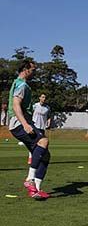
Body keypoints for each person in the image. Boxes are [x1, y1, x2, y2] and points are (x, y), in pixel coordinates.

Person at [8, 59, 51, 199]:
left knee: (45, 156)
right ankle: (30, 179)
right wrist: (25, 124)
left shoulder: (19, 83)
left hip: (22, 122)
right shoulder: (22, 85)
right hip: (18, 123)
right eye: (33, 70)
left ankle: (36, 190)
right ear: (26, 69)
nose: (34, 72)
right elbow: (16, 105)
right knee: (43, 141)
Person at [27, 94, 51, 165]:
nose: (44, 99)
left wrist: (49, 123)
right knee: (33, 143)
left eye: (45, 97)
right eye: (43, 97)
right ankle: (31, 158)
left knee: (42, 143)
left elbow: (49, 116)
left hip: (42, 127)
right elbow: (29, 113)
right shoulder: (35, 106)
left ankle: (40, 157)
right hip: (35, 127)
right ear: (39, 98)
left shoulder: (47, 108)